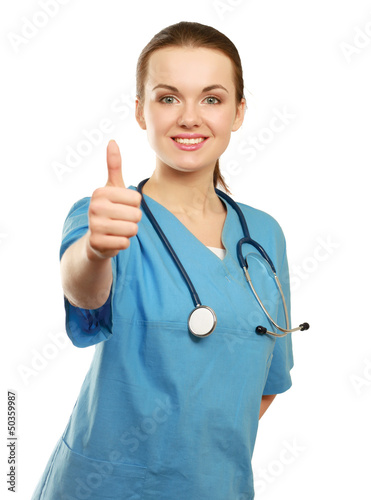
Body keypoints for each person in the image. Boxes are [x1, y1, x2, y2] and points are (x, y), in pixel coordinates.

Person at [31, 21, 295, 500]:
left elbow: (267, 381)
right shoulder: (109, 216)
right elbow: (84, 289)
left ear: (238, 112)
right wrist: (94, 250)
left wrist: (192, 459)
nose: (189, 117)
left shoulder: (265, 236)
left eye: (212, 99)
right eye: (168, 98)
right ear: (140, 111)